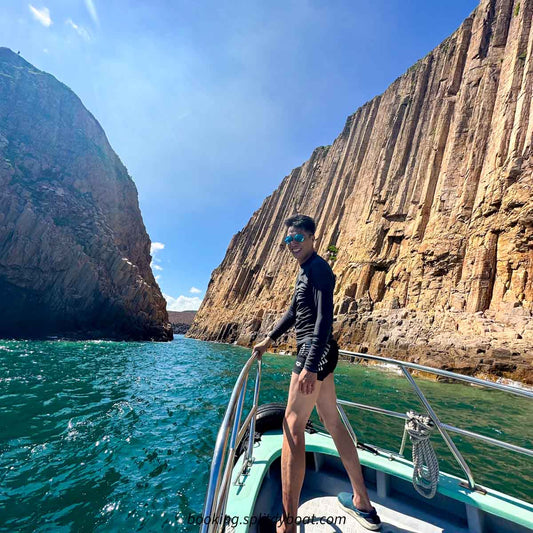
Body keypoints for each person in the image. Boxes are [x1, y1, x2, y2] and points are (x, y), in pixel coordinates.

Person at [253, 215, 381, 532]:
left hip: (316, 351)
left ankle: (287, 524)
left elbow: (324, 320)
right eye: (287, 239)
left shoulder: (320, 269)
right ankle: (362, 502)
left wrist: (310, 365)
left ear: (312, 237)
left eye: (297, 237)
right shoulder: (305, 272)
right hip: (321, 352)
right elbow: (295, 312)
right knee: (332, 422)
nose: (292, 243)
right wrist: (270, 338)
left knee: (291, 427)